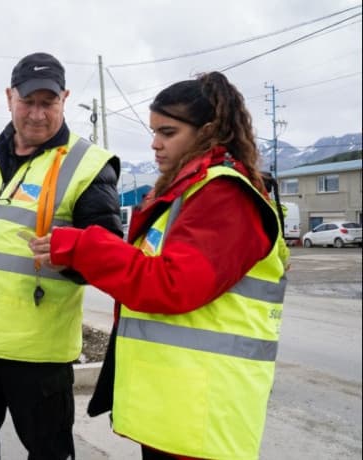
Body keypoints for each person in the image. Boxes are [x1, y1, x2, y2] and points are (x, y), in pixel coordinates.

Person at [30, 71, 286, 459]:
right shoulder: (189, 192)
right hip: (179, 405)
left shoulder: (225, 197)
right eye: (154, 132)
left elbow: (170, 284)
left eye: (168, 132)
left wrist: (84, 245)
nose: (155, 144)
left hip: (205, 413)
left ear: (209, 131)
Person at [0, 51, 122, 460]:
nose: (37, 114)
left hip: (37, 353)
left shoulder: (88, 164)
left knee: (49, 452)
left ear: (64, 99)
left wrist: (69, 253)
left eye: (47, 103)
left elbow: (109, 255)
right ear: (9, 98)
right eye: (27, 102)